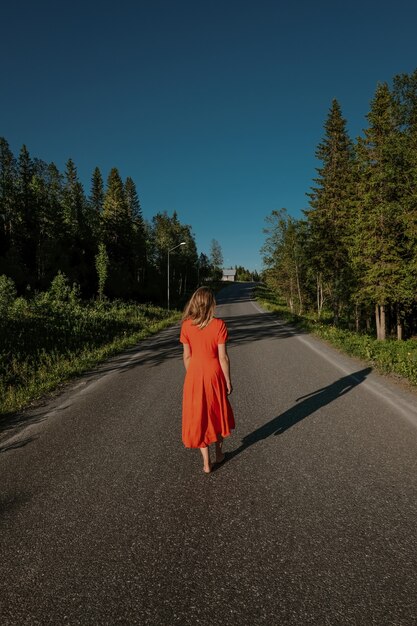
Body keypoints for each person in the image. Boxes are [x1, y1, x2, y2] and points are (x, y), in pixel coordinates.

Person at [180, 287, 235, 474]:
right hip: (214, 374)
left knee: (200, 417)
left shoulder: (186, 325)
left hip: (194, 375)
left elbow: (186, 357)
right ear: (212, 303)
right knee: (217, 413)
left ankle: (206, 462)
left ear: (195, 302)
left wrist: (195, 376)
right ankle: (219, 454)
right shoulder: (219, 325)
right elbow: (223, 358)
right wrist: (227, 380)